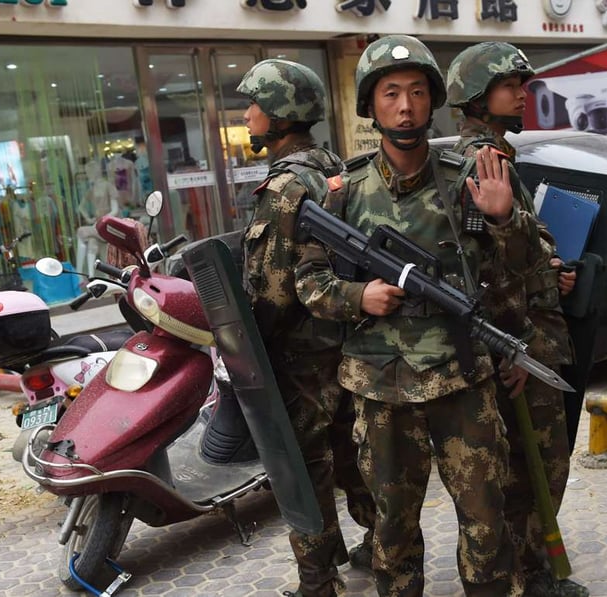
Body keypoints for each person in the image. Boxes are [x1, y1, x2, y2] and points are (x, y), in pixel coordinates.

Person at [296, 35, 535, 597]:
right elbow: (308, 282)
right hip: (382, 391)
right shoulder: (341, 193)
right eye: (391, 94)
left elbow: (514, 275)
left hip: (462, 381)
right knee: (392, 528)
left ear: (433, 102)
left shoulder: (469, 178)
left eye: (417, 93)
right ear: (371, 106)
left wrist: (504, 221)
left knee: (486, 519)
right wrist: (359, 298)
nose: (405, 106)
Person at [447, 42, 586, 597]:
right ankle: (530, 576)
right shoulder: (484, 162)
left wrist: (550, 268)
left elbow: (518, 251)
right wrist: (519, 346)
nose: (522, 95)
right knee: (536, 467)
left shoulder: (494, 153)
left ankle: (530, 570)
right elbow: (486, 273)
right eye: (511, 86)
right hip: (520, 342)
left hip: (526, 336)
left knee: (532, 466)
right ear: (479, 97)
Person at [236, 58, 376, 597]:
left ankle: (319, 582)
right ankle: (383, 547)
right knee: (357, 457)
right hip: (353, 347)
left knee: (304, 469)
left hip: (302, 359)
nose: (247, 115)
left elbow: (273, 294)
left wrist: (251, 348)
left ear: (279, 113)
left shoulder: (286, 188)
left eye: (254, 105)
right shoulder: (336, 169)